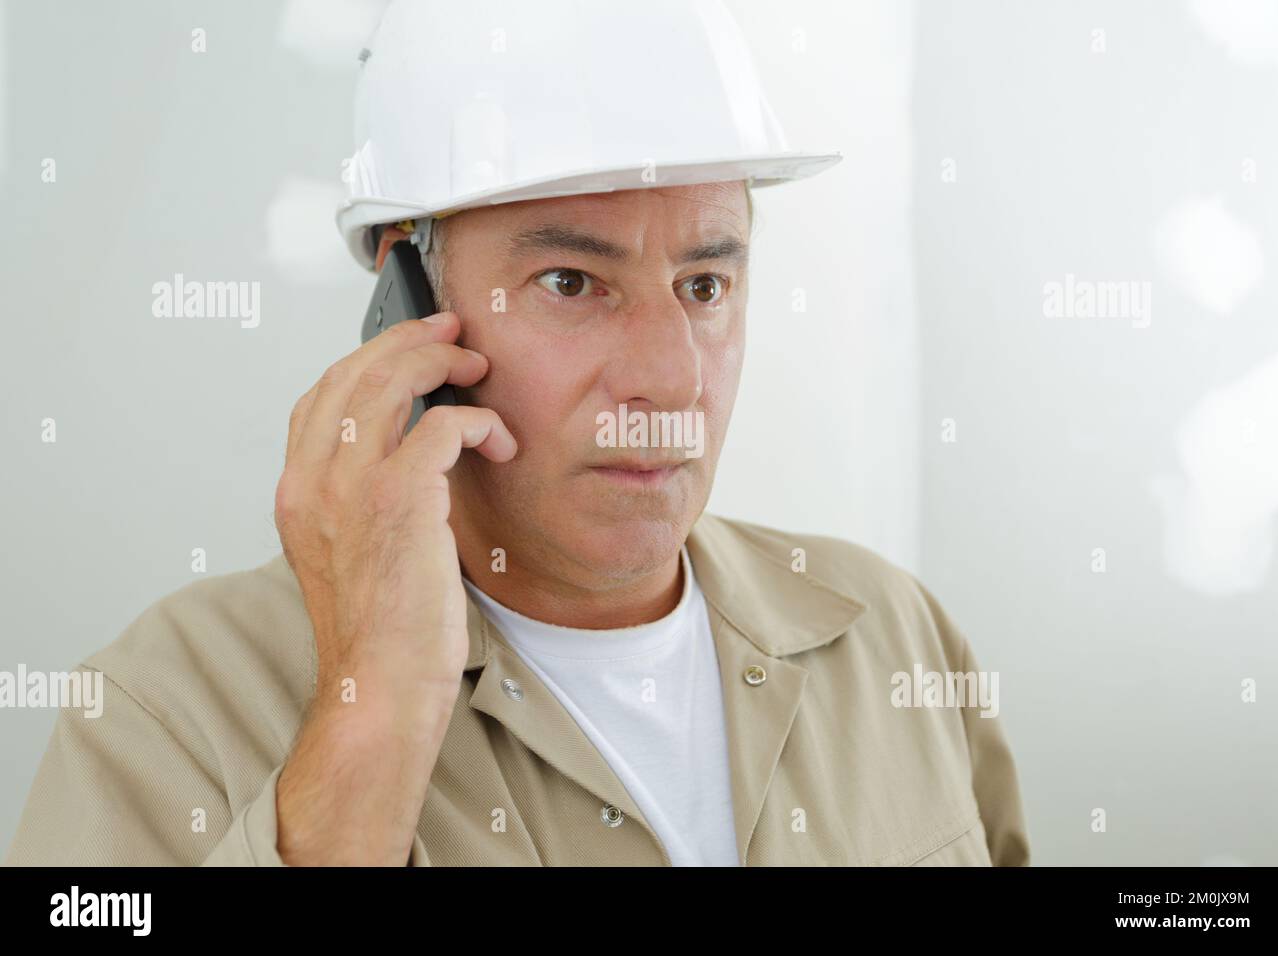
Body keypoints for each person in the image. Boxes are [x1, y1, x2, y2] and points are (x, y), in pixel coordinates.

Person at [5, 0, 1029, 867]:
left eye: (704, 284)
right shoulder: (164, 711)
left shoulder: (892, 634)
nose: (670, 376)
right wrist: (369, 725)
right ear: (409, 304)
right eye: (572, 282)